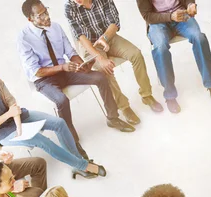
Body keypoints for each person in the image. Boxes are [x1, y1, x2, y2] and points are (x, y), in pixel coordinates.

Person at [0, 54, 105, 179]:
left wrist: (17, 121)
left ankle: (76, 161)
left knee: (59, 123)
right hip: (1, 132)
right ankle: (83, 165)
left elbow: (10, 100)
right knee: (41, 140)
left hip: (18, 116)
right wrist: (10, 115)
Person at [18, 0, 135, 135]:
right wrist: (62, 67)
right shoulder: (23, 38)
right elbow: (36, 72)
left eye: (46, 11)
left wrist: (82, 65)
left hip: (65, 71)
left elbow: (71, 53)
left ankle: (113, 118)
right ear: (30, 19)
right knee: (61, 100)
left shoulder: (56, 27)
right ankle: (72, 138)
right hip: (44, 80)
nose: (47, 16)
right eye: (41, 15)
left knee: (100, 77)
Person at [65, 0, 162, 114]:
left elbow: (114, 22)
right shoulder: (69, 6)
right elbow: (80, 36)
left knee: (136, 54)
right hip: (90, 46)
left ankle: (146, 95)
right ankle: (124, 106)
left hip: (108, 37)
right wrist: (100, 58)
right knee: (104, 69)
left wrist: (104, 38)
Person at [137, 0, 211, 113]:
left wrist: (190, 4)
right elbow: (147, 15)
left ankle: (210, 83)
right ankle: (170, 95)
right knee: (160, 48)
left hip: (181, 14)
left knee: (199, 37)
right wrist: (170, 16)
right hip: (158, 21)